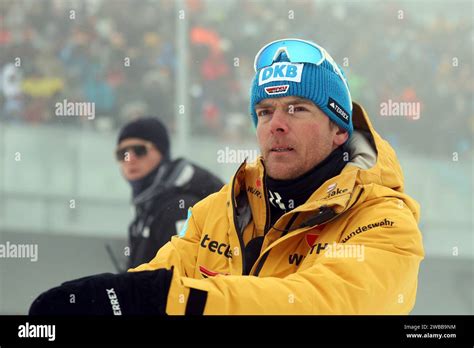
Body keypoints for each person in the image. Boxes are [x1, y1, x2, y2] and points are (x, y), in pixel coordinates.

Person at [29, 39, 424, 315]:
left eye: (297, 109)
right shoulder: (221, 207)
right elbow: (155, 279)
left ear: (339, 129)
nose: (276, 125)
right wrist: (101, 299)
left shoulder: (384, 221)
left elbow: (319, 304)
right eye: (265, 112)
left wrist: (168, 300)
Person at [115, 117, 224, 269]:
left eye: (139, 150)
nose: (129, 159)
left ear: (161, 152)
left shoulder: (179, 208)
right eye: (122, 153)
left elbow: (182, 275)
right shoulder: (148, 207)